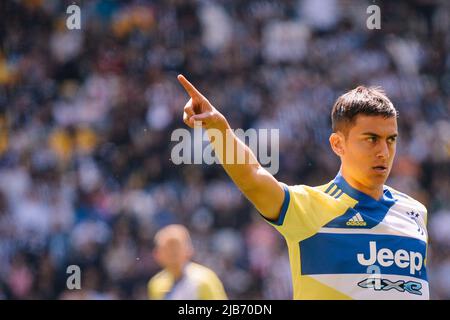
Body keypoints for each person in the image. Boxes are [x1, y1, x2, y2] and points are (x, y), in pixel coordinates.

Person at [177, 74, 429, 300]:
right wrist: (218, 130)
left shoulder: (415, 212)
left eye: (391, 140)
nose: (384, 152)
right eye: (371, 139)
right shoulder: (309, 206)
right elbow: (253, 177)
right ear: (338, 144)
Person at [148, 224, 227, 300]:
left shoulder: (203, 279)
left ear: (188, 250)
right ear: (157, 254)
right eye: (167, 247)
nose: (172, 252)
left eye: (176, 246)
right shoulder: (156, 283)